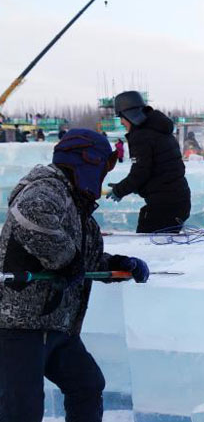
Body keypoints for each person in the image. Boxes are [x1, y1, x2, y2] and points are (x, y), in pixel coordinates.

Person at [0, 129, 149, 421]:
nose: (105, 175)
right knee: (21, 409)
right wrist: (66, 261)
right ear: (87, 161)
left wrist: (120, 264)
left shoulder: (75, 203)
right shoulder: (47, 188)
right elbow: (28, 214)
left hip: (56, 324)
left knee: (87, 384)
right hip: (19, 326)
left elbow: (83, 261)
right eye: (104, 165)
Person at [107, 91, 191, 233]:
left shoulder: (141, 136)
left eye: (121, 117)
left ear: (129, 115)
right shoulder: (158, 130)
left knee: (148, 248)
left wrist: (120, 190)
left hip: (164, 205)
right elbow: (158, 171)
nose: (121, 122)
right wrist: (128, 187)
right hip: (178, 200)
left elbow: (141, 172)